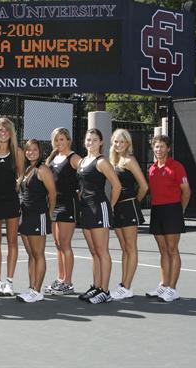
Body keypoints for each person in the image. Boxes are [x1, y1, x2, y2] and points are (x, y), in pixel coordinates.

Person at [77, 128, 121, 304]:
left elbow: (116, 186)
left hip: (99, 208)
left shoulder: (102, 162)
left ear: (101, 142)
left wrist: (109, 206)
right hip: (86, 210)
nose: (91, 143)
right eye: (88, 140)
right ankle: (96, 286)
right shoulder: (82, 161)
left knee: (102, 251)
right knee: (94, 251)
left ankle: (105, 291)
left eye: (95, 140)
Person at [146, 135, 190, 302]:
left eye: (162, 146)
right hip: (157, 211)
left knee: (172, 250)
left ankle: (172, 289)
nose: (159, 149)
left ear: (168, 148)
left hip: (173, 210)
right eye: (156, 146)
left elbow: (186, 191)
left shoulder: (177, 166)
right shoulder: (152, 168)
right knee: (163, 250)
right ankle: (163, 285)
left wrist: (180, 210)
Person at [0, 117, 24, 296]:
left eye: (7, 130)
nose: (4, 133)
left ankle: (9, 282)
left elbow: (22, 174)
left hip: (11, 201)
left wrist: (18, 182)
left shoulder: (17, 153)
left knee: (12, 241)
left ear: (11, 133)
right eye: (1, 130)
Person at [108, 129, 148, 300]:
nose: (119, 145)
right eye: (116, 141)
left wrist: (134, 203)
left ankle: (127, 286)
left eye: (122, 142)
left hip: (128, 208)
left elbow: (144, 186)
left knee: (130, 248)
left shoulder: (130, 161)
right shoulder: (113, 161)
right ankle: (123, 285)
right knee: (124, 248)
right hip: (117, 209)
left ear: (128, 144)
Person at [17, 139, 56, 303]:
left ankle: (37, 290)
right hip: (25, 216)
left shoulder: (43, 169)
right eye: (28, 150)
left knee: (38, 254)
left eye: (34, 150)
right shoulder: (27, 170)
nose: (31, 152)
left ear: (40, 152)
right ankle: (31, 287)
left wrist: (48, 214)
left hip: (38, 216)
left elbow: (52, 194)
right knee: (31, 254)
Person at [44, 127, 81, 296]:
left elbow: (87, 176)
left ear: (68, 140)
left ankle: (69, 282)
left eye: (62, 139)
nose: (59, 142)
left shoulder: (74, 158)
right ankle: (60, 279)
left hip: (68, 205)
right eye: (57, 140)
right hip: (54, 205)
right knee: (58, 245)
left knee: (65, 244)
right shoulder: (53, 157)